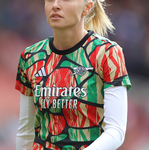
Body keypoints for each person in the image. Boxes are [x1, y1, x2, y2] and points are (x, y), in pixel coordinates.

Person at [15, 0, 131, 149]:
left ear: (87, 8)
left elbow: (116, 131)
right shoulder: (30, 57)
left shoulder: (107, 53)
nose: (55, 5)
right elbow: (25, 132)